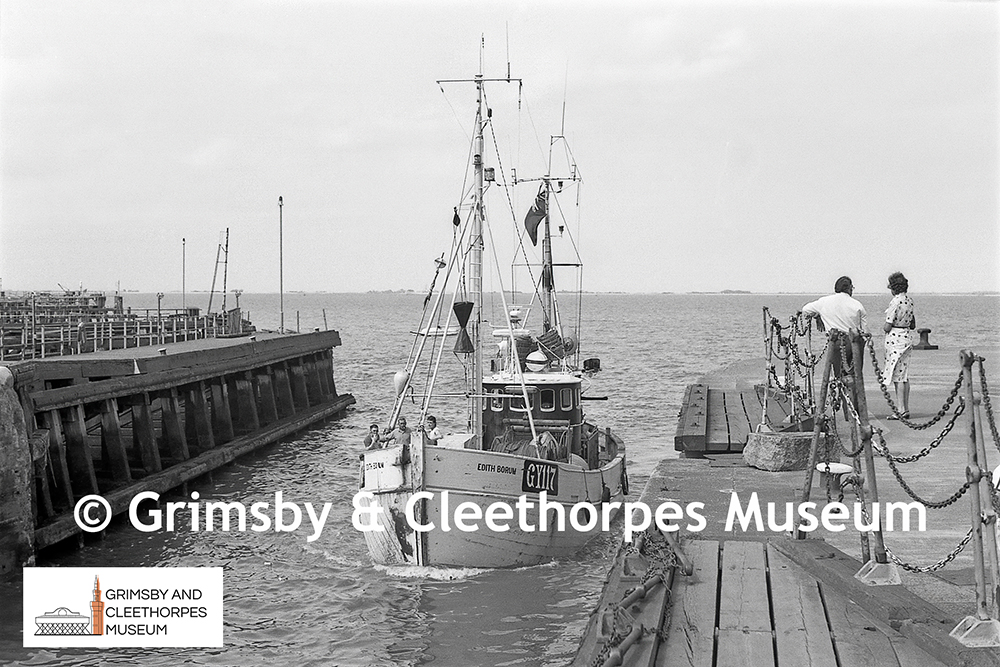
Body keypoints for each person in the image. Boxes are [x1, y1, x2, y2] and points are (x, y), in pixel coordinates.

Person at [800, 276, 867, 379]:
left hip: (836, 342)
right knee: (854, 375)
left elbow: (805, 310)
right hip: (854, 343)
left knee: (838, 375)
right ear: (849, 288)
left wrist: (817, 316)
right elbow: (865, 331)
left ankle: (841, 393)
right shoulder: (857, 305)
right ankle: (853, 394)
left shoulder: (824, 302)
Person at [882, 272, 915, 419]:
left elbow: (888, 326)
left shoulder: (895, 302)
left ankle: (901, 410)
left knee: (898, 376)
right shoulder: (909, 301)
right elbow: (913, 324)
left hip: (895, 339)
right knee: (904, 375)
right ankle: (905, 408)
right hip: (907, 337)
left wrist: (885, 327)